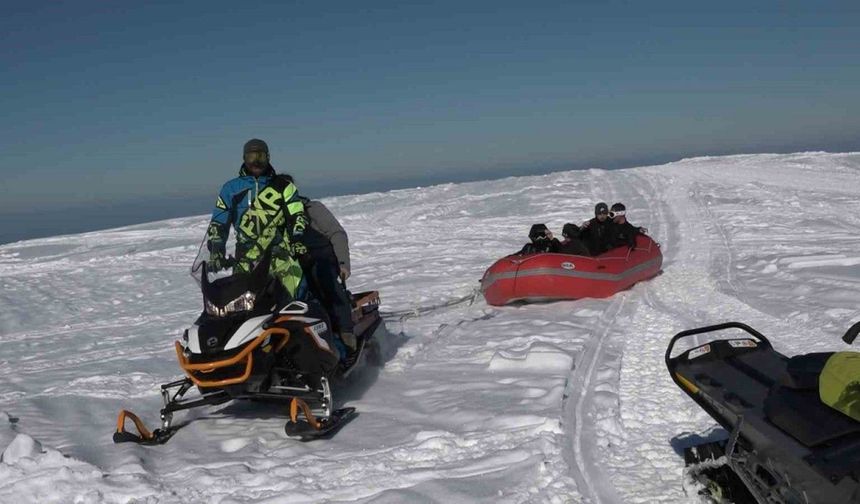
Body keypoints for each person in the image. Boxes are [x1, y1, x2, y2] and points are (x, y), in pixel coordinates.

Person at [206, 138, 309, 301]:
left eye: (260, 156)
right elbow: (219, 223)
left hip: (279, 253)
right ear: (244, 159)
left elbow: (297, 215)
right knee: (243, 303)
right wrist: (216, 251)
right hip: (245, 256)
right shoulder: (230, 189)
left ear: (268, 157)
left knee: (297, 296)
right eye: (251, 157)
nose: (256, 162)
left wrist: (297, 238)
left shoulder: (283, 186)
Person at [298, 197, 356, 355]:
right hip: (294, 265)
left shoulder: (312, 209)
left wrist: (343, 263)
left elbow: (337, 233)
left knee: (325, 282)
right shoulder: (273, 216)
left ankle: (346, 332)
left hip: (322, 258)